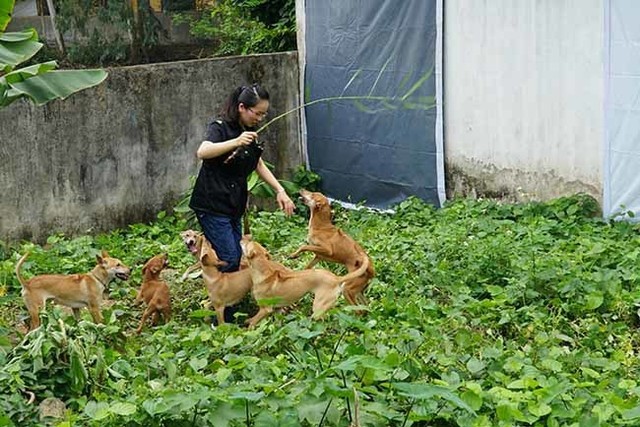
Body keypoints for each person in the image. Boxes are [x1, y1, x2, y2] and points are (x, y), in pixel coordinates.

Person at [189, 84, 295, 323]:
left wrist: (280, 190)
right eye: (256, 113)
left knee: (236, 255)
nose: (259, 118)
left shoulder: (251, 133)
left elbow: (258, 164)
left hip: (233, 205)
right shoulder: (220, 128)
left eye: (263, 114)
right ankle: (222, 316)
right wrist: (236, 141)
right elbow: (203, 152)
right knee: (228, 255)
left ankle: (234, 301)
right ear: (241, 108)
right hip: (211, 204)